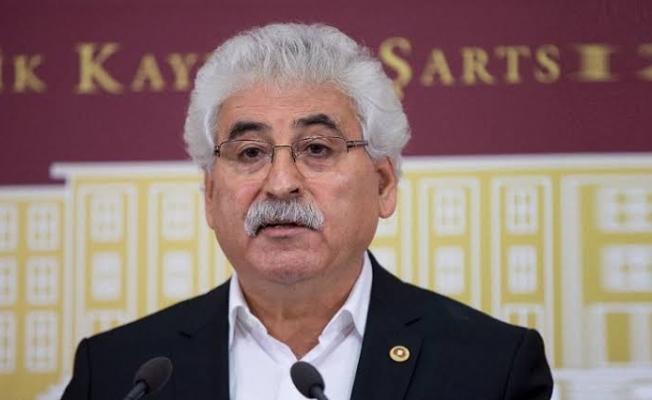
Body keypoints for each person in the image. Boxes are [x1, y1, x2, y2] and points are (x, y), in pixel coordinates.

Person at [62, 23, 553, 399]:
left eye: (317, 149)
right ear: (210, 196)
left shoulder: (491, 368)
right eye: (250, 152)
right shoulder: (117, 373)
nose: (281, 183)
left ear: (383, 185)